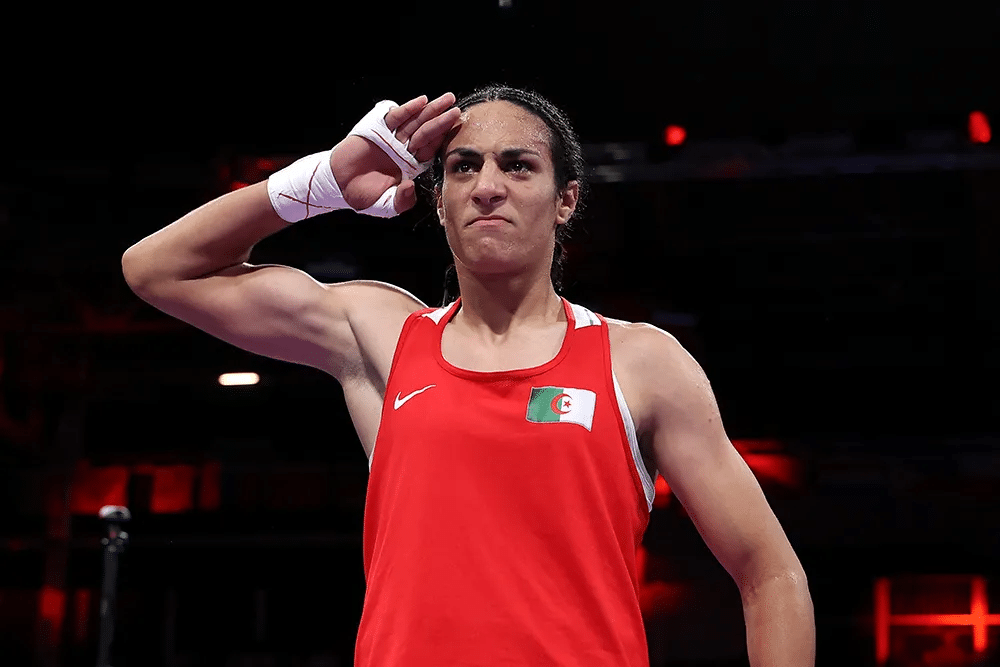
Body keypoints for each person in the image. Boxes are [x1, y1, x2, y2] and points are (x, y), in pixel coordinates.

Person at [122, 87, 815, 666]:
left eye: (518, 166)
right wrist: (320, 184)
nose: (487, 186)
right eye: (462, 167)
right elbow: (155, 270)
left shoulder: (640, 363)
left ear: (565, 199)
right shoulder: (386, 338)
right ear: (439, 197)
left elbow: (771, 573)